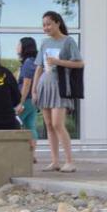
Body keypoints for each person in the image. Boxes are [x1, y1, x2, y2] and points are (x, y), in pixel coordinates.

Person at [33, 11, 83, 173]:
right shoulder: (44, 43)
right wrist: (34, 89)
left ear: (57, 23)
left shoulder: (68, 41)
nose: (45, 28)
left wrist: (58, 62)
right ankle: (55, 161)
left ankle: (70, 161)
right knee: (48, 125)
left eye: (48, 24)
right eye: (43, 25)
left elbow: (80, 64)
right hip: (44, 85)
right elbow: (39, 67)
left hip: (60, 86)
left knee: (57, 124)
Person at [16, 36, 41, 155]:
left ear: (24, 47)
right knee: (30, 125)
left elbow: (26, 83)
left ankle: (23, 153)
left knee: (15, 123)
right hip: (33, 101)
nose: (17, 47)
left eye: (19, 44)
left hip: (26, 100)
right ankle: (32, 154)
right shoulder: (34, 62)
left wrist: (20, 102)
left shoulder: (28, 63)